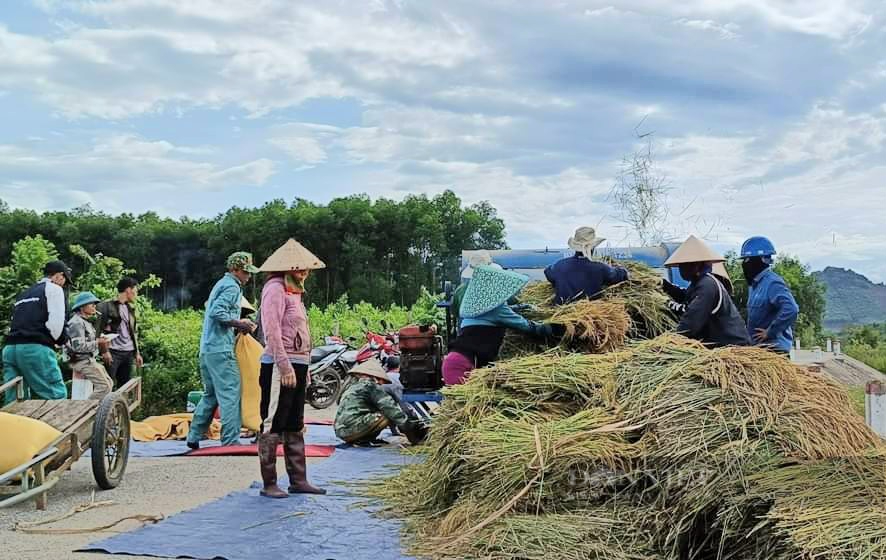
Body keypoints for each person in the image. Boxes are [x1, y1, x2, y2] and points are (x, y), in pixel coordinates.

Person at [256, 238, 326, 499]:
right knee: (273, 422)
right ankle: (270, 483)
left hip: (297, 364)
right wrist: (284, 366)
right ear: (288, 268)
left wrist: (303, 367)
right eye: (300, 268)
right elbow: (272, 330)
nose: (305, 272)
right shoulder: (274, 289)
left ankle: (298, 479)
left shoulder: (294, 292)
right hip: (277, 365)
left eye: (306, 268)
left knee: (295, 422)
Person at [186, 252, 259, 450]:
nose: (248, 276)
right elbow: (217, 312)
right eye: (245, 272)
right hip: (220, 349)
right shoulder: (231, 286)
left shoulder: (220, 284)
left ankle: (193, 435)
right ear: (235, 270)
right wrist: (241, 323)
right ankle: (230, 440)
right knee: (230, 393)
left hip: (207, 349)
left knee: (211, 395)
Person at [443, 265, 561, 385]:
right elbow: (526, 326)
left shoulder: (475, 306)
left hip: (456, 362)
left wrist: (521, 307)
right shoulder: (496, 309)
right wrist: (555, 329)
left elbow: (501, 312)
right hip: (462, 366)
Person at [661, 236, 751, 348]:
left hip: (731, 346)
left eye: (684, 265)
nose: (681, 270)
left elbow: (691, 321)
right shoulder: (698, 283)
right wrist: (665, 286)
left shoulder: (707, 285)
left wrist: (669, 343)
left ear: (696, 265)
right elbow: (686, 296)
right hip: (720, 346)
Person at [3, 260, 72, 402]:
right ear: (59, 276)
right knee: (55, 396)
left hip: (10, 350)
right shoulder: (54, 289)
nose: (64, 285)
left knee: (15, 400)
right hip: (34, 349)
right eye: (65, 280)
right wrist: (60, 341)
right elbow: (56, 325)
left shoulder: (24, 293)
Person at [334, 360, 428, 447]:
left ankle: (364, 439)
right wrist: (412, 430)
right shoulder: (370, 386)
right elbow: (392, 410)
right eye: (380, 381)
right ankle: (362, 439)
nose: (381, 384)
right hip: (351, 429)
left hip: (340, 430)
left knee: (384, 411)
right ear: (375, 377)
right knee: (388, 413)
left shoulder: (353, 386)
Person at [740, 236, 799, 353]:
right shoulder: (754, 285)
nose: (744, 264)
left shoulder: (772, 283)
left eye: (748, 260)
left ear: (761, 260)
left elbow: (791, 309)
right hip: (759, 350)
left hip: (774, 350)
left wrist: (770, 332)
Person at [544, 227, 628, 304]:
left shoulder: (559, 265)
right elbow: (618, 275)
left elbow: (548, 272)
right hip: (590, 315)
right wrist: (622, 269)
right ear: (592, 247)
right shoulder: (600, 268)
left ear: (575, 247)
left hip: (561, 313)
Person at [65, 292, 114, 400]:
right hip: (81, 361)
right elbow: (77, 346)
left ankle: (99, 411)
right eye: (91, 304)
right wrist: (98, 342)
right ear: (82, 307)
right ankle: (88, 411)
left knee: (109, 383)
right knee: (104, 387)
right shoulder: (76, 323)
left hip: (89, 360)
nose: (94, 307)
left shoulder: (85, 322)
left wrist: (101, 342)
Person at [97, 277, 142, 389]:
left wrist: (137, 353)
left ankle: (120, 407)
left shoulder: (131, 308)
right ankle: (105, 407)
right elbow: (98, 330)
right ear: (128, 290)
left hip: (128, 352)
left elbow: (133, 332)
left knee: (125, 386)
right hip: (113, 352)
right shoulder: (105, 306)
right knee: (107, 384)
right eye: (135, 291)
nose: (136, 295)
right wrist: (104, 351)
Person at [451, 251, 493, 330]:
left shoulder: (460, 290)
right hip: (490, 332)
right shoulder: (494, 290)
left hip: (466, 329)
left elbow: (455, 312)